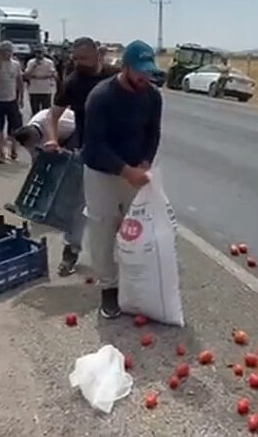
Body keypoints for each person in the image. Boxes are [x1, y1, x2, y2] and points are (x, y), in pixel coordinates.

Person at [81, 39, 162, 318]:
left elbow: (153, 133)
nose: (145, 77)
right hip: (101, 173)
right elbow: (94, 145)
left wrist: (144, 163)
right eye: (140, 71)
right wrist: (127, 172)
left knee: (136, 232)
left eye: (148, 71)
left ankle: (134, 285)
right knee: (103, 230)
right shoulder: (101, 97)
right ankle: (109, 290)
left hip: (134, 173)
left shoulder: (152, 96)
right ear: (126, 67)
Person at [42, 36, 118, 276]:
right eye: (76, 58)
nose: (79, 63)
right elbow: (52, 116)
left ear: (97, 53)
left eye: (84, 58)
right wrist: (52, 139)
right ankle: (70, 253)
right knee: (80, 206)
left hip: (120, 151)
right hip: (89, 152)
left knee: (121, 208)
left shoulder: (114, 76)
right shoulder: (73, 82)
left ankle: (123, 257)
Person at [0, 41, 24, 163]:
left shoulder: (16, 64)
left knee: (15, 126)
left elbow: (19, 81)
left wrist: (21, 97)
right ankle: (1, 153)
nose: (7, 53)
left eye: (9, 51)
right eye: (4, 51)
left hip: (11, 99)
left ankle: (13, 149)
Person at [24, 47, 58, 114]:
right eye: (37, 53)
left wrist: (41, 77)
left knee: (45, 112)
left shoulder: (49, 62)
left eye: (40, 53)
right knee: (35, 111)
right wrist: (33, 67)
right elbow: (26, 75)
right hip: (34, 90)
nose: (39, 55)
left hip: (46, 90)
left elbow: (53, 74)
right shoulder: (31, 62)